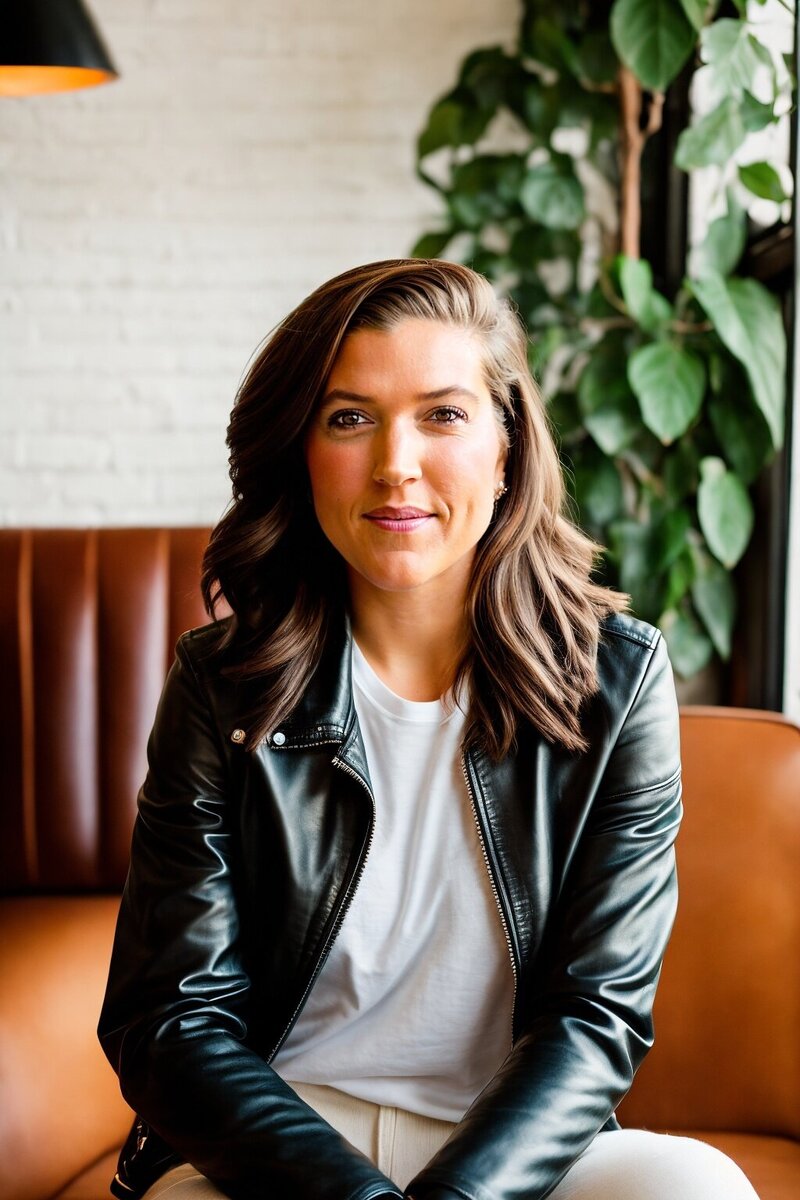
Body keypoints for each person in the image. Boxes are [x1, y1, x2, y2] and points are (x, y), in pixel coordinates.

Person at [98, 259, 759, 1200]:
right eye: (349, 417)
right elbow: (170, 1017)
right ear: (303, 451)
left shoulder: (616, 682)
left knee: (697, 1187)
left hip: (510, 1144)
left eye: (443, 415)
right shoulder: (221, 685)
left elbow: (597, 1014)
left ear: (506, 449)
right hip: (278, 1148)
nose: (395, 463)